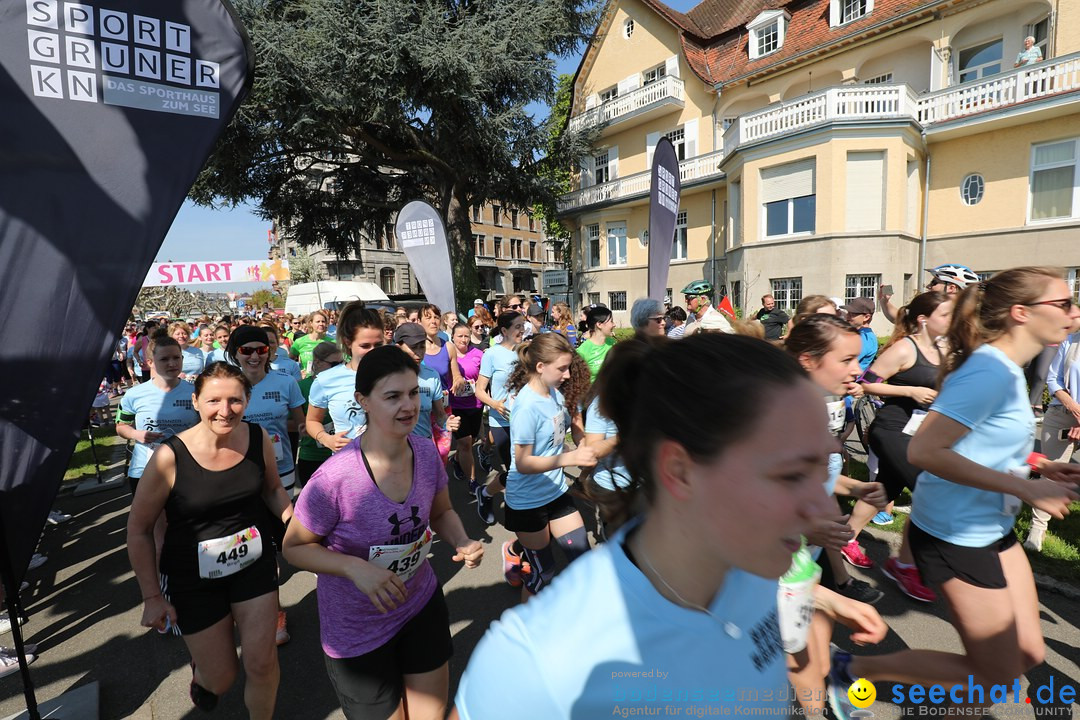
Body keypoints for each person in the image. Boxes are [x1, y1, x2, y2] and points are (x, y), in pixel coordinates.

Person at [452, 334, 885, 719]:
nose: (820, 507)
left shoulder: (749, 561)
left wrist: (824, 600)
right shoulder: (542, 662)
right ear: (679, 470)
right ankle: (523, 561)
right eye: (790, 474)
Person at [825, 267, 1080, 720]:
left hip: (990, 528)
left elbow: (978, 441)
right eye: (1062, 303)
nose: (1074, 312)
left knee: (1026, 653)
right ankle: (850, 670)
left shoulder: (1003, 368)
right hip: (956, 535)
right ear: (1021, 313)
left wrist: (1038, 464)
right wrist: (1024, 487)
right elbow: (925, 449)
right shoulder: (988, 374)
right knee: (993, 679)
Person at [282, 346, 483, 720]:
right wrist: (355, 568)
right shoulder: (335, 477)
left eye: (412, 394)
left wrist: (462, 539)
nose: (407, 406)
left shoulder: (425, 452)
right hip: (357, 628)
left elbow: (441, 512)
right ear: (363, 401)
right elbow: (294, 547)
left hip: (419, 604)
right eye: (392, 396)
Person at [127, 362, 293, 718]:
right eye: (214, 400)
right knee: (221, 679)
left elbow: (274, 490)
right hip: (193, 579)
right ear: (196, 402)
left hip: (254, 565)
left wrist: (295, 523)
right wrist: (152, 597)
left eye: (235, 400)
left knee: (262, 664)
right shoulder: (169, 457)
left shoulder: (256, 437)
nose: (225, 410)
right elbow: (139, 529)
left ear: (247, 401)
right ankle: (204, 675)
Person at [850, 292, 952, 602]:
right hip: (891, 428)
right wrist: (911, 390)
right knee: (929, 489)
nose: (951, 320)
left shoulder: (943, 349)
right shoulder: (904, 348)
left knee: (886, 488)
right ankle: (906, 564)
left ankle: (844, 536)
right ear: (924, 319)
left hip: (919, 432)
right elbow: (866, 382)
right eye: (945, 314)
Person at [500, 334, 597, 597]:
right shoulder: (527, 406)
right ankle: (529, 633)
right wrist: (570, 458)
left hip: (555, 492)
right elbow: (522, 463)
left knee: (583, 560)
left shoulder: (554, 393)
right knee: (544, 575)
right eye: (562, 368)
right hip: (527, 501)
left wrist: (583, 446)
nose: (567, 374)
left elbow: (562, 434)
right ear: (540, 367)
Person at [116, 332, 199, 496]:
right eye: (164, 359)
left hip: (188, 468)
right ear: (150, 362)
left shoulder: (196, 392)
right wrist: (136, 434)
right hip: (145, 470)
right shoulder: (134, 394)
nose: (172, 363)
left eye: (177, 357)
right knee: (148, 520)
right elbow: (121, 427)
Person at [307, 302, 386, 452]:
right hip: (347, 463)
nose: (373, 352)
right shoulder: (326, 380)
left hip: (389, 463)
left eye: (378, 345)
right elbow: (312, 420)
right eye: (365, 346)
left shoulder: (395, 374)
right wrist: (326, 439)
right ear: (348, 342)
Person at [1029, 323, 1080, 551]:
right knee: (1052, 473)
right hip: (1062, 412)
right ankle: (1036, 531)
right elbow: (1053, 378)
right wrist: (1073, 407)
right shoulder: (1070, 340)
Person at [474, 311, 526, 524]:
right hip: (501, 420)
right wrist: (494, 404)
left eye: (523, 326)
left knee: (523, 468)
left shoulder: (525, 352)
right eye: (517, 327)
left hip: (524, 419)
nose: (522, 331)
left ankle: (522, 506)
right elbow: (479, 390)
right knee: (515, 470)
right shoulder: (492, 354)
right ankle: (485, 493)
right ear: (504, 330)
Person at [393, 323, 459, 441]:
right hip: (395, 448)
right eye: (413, 347)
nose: (419, 352)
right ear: (398, 348)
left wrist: (447, 422)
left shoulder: (432, 375)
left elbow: (440, 415)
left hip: (424, 443)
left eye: (422, 346)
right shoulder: (386, 377)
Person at [295, 342, 342, 494]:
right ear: (317, 363)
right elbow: (293, 423)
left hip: (340, 456)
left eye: (342, 363)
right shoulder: (302, 386)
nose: (340, 368)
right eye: (334, 364)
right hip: (311, 456)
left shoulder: (346, 385)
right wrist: (304, 427)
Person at [448, 323, 484, 492]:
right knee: (465, 444)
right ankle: (473, 481)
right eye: (460, 336)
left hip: (475, 405)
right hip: (456, 406)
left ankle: (456, 459)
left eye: (466, 336)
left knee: (472, 440)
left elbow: (484, 379)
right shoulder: (447, 355)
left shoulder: (478, 354)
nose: (463, 339)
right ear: (452, 337)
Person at [878, 264, 978, 323]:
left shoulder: (970, 319)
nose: (928, 286)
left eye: (934, 283)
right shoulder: (927, 308)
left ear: (951, 288)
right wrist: (884, 301)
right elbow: (898, 318)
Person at [576, 305, 616, 381]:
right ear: (599, 325)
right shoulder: (582, 351)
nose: (614, 325)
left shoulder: (613, 343)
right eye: (611, 321)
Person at [292, 310, 334, 376]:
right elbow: (289, 361)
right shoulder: (300, 341)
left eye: (323, 321)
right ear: (311, 323)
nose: (321, 324)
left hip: (326, 380)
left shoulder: (332, 342)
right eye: (318, 321)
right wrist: (298, 373)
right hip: (307, 381)